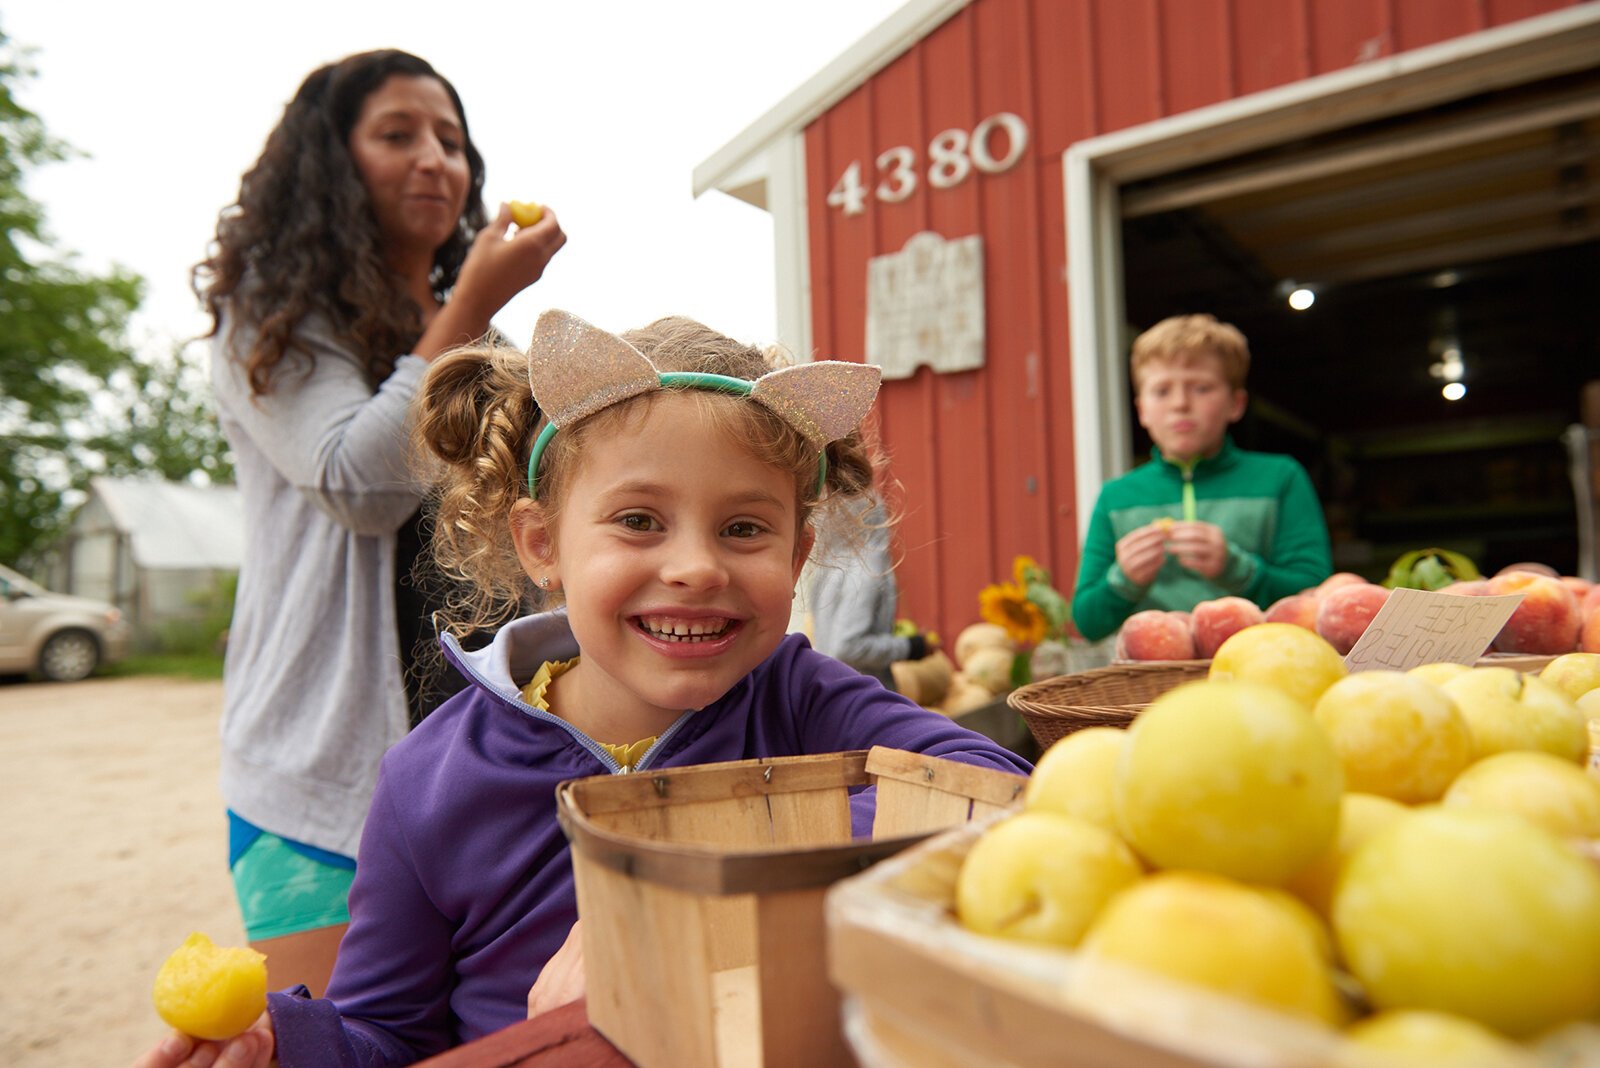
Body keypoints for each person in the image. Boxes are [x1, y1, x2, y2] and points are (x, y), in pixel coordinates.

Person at [135, 310, 1032, 1068]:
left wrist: (670, 915)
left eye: (745, 528)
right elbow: (390, 1034)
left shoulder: (800, 699)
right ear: (543, 546)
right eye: (639, 521)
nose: (694, 567)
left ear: (796, 558)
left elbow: (988, 793)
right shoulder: (428, 782)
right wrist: (287, 1041)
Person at [194, 49, 566, 999]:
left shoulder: (485, 342)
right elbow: (358, 488)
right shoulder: (269, 319)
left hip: (479, 760)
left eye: (449, 139)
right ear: (331, 162)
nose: (435, 159)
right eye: (397, 134)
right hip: (318, 776)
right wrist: (475, 303)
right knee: (342, 1045)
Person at [1071, 313, 1332, 642]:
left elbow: (1313, 599)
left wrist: (1235, 568)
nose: (1180, 404)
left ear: (1235, 404)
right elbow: (1086, 621)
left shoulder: (1280, 478)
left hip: (1260, 667)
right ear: (1142, 411)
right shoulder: (1116, 497)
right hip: (1153, 681)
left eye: (1201, 388)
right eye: (1162, 390)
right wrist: (1124, 580)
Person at [808, 493, 939, 690]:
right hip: (859, 693)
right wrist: (913, 646)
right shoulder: (865, 572)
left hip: (833, 689)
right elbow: (847, 647)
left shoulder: (827, 568)